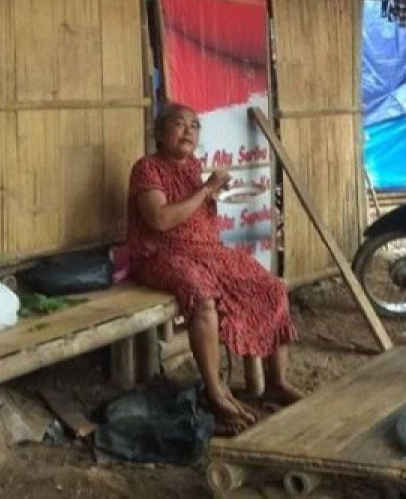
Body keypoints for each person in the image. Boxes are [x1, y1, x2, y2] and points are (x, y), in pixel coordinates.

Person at [127, 104, 304, 435]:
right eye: (179, 124)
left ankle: (277, 382)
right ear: (158, 132)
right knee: (202, 297)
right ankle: (215, 390)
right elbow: (161, 219)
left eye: (194, 126)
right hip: (160, 255)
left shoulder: (193, 166)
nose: (189, 131)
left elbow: (196, 211)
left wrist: (212, 191)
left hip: (207, 251)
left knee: (271, 286)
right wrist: (205, 190)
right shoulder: (147, 169)